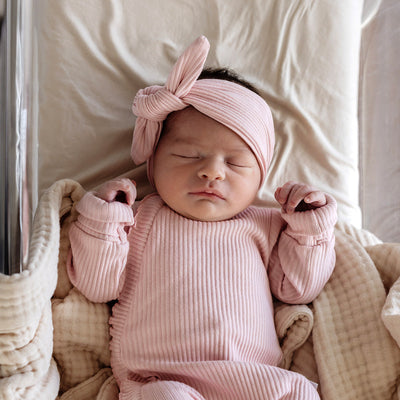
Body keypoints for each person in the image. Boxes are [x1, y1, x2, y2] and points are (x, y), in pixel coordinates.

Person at [67, 36, 337, 399]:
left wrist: (309, 227)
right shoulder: (140, 218)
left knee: (300, 391)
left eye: (236, 162)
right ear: (154, 162)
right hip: (161, 378)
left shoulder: (264, 225)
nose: (212, 172)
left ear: (260, 176)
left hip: (253, 379)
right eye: (189, 156)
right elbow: (97, 284)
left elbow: (299, 288)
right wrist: (103, 218)